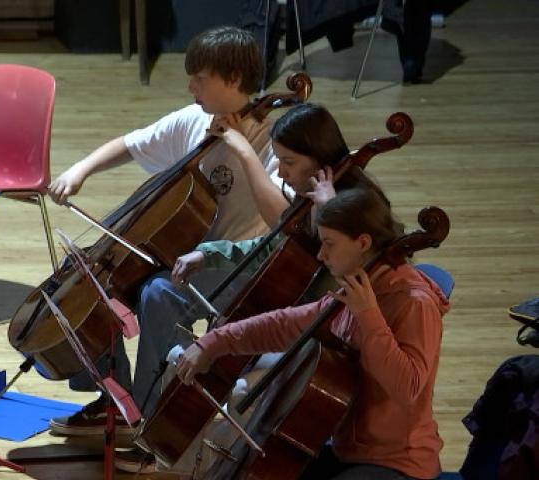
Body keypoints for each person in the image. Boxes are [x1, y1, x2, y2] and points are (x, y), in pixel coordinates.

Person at [114, 103, 388, 473]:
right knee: (187, 331)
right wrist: (210, 254)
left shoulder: (352, 207)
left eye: (288, 162)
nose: (282, 172)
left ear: (319, 158)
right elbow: (277, 246)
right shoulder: (311, 197)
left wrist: (329, 215)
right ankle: (164, 434)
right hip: (294, 314)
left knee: (243, 391)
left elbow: (363, 281)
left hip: (329, 335)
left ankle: (204, 457)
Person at [46, 24, 284, 436]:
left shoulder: (272, 137)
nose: (190, 85)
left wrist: (244, 153)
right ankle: (114, 398)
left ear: (232, 79)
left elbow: (282, 216)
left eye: (200, 78)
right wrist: (80, 169)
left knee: (158, 293)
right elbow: (132, 143)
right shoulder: (196, 119)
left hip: (239, 265)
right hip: (180, 255)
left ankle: (148, 414)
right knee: (90, 284)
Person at [176, 187, 449, 480]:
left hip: (399, 462)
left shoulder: (414, 303)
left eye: (329, 243)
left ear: (363, 242)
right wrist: (213, 342)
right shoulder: (357, 287)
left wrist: (368, 315)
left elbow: (407, 388)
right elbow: (284, 324)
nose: (321, 254)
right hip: (350, 450)